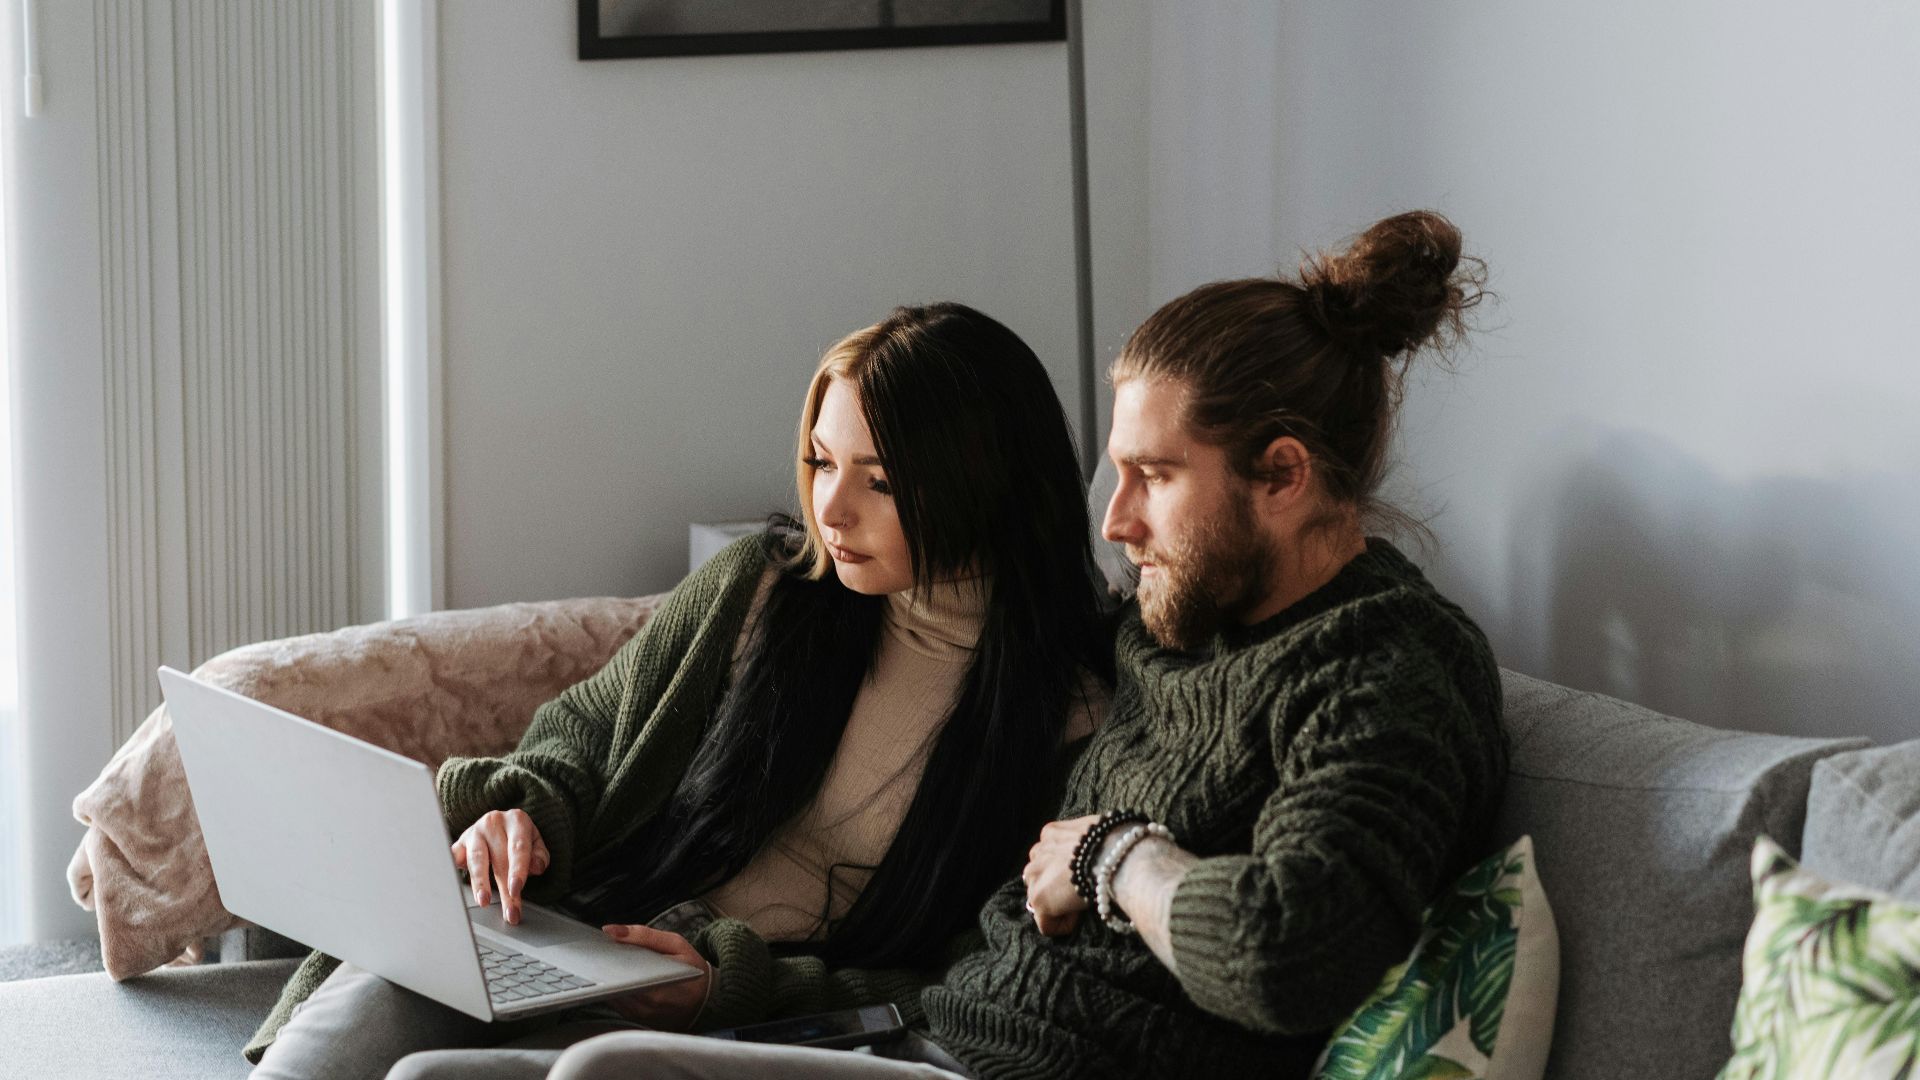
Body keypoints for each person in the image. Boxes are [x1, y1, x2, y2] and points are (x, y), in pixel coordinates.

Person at [543, 208, 1509, 1080]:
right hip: (923, 1041)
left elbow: (1287, 958)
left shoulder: (1385, 671)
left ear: (1283, 475)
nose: (1116, 522)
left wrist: (1113, 855)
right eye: (1114, 475)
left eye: (1155, 477)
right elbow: (970, 962)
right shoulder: (1175, 635)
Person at [243, 302, 1111, 1080]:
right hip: (590, 934)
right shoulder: (760, 591)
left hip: (752, 1026)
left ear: (988, 484)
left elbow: (971, 979)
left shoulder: (1066, 715)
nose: (831, 507)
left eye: (879, 481)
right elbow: (582, 729)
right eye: (819, 461)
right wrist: (522, 817)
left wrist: (722, 989)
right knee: (386, 987)